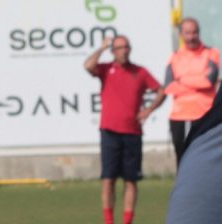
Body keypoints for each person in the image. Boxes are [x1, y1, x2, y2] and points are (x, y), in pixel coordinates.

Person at [84, 35, 166, 224]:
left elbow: (161, 90)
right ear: (113, 51)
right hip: (109, 131)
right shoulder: (106, 69)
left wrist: (148, 110)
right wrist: (102, 48)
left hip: (132, 133)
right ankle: (108, 221)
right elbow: (88, 66)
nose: (124, 51)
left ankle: (127, 221)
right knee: (108, 179)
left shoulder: (140, 72)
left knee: (131, 180)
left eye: (126, 47)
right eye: (120, 48)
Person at [164, 17, 219, 163]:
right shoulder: (175, 56)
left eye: (194, 32)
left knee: (205, 157)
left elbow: (209, 81)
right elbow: (168, 86)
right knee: (182, 157)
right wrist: (197, 80)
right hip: (180, 115)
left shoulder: (211, 53)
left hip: (205, 113)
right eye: (187, 33)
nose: (191, 37)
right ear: (181, 34)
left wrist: (182, 80)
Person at [165, 87, 222, 223]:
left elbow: (207, 82)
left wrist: (184, 84)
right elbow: (169, 87)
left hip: (202, 117)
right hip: (185, 119)